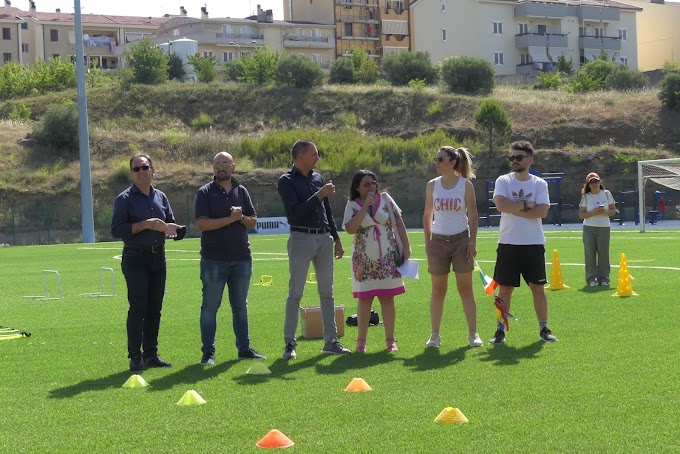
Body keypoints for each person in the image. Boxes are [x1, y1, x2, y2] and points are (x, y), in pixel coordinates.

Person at [278, 139, 350, 359]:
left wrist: (336, 238)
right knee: (295, 293)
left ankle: (331, 341)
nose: (317, 158)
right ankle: (290, 343)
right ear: (301, 156)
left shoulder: (318, 179)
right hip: (301, 237)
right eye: (314, 154)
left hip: (324, 239)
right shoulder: (286, 181)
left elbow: (326, 211)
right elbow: (295, 214)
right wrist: (319, 195)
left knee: (327, 293)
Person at [111, 154, 183, 372]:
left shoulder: (161, 197)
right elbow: (116, 230)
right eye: (136, 169)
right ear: (132, 174)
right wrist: (145, 224)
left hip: (158, 258)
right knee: (138, 307)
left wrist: (174, 230)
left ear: (153, 170)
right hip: (135, 258)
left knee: (155, 308)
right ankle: (135, 356)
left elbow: (169, 222)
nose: (141, 172)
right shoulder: (124, 199)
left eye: (145, 167)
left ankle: (151, 355)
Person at [194, 152, 266, 365]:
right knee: (210, 306)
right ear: (213, 168)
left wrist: (241, 217)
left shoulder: (241, 191)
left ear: (233, 167)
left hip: (242, 259)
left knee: (240, 306)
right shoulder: (204, 192)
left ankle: (244, 348)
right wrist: (230, 219)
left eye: (225, 164)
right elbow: (202, 224)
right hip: (214, 260)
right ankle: (208, 352)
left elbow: (252, 222)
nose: (221, 168)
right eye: (217, 164)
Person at [490, 141, 557, 344]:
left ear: (530, 160)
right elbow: (501, 205)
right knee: (505, 290)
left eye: (519, 157)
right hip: (508, 243)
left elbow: (542, 211)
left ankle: (544, 328)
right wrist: (527, 205)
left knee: (537, 288)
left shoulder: (539, 184)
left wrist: (515, 207)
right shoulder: (503, 180)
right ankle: (500, 331)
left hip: (533, 243)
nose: (515, 161)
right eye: (512, 158)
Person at [342, 170, 410, 352]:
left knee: (387, 298)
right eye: (366, 184)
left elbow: (399, 222)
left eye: (373, 183)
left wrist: (406, 247)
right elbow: (349, 229)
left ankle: (390, 341)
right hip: (363, 259)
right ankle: (361, 342)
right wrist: (364, 208)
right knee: (365, 300)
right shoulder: (352, 205)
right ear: (357, 187)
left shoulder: (386, 199)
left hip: (388, 256)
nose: (371, 187)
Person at [423, 147, 483, 349]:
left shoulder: (466, 186)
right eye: (436, 159)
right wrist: (427, 242)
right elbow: (427, 215)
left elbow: (473, 215)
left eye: (440, 159)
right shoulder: (432, 185)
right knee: (438, 290)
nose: (437, 162)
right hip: (438, 241)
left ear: (452, 162)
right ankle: (434, 335)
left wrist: (472, 242)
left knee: (465, 289)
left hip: (461, 241)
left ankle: (473, 334)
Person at [578, 172, 616, 287]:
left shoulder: (606, 194)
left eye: (596, 181)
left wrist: (605, 212)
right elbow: (581, 214)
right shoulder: (586, 197)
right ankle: (591, 278)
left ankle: (604, 278)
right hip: (589, 227)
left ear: (600, 182)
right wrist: (593, 212)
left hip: (604, 227)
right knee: (590, 253)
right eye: (592, 182)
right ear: (588, 185)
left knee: (603, 253)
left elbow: (613, 210)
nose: (595, 184)